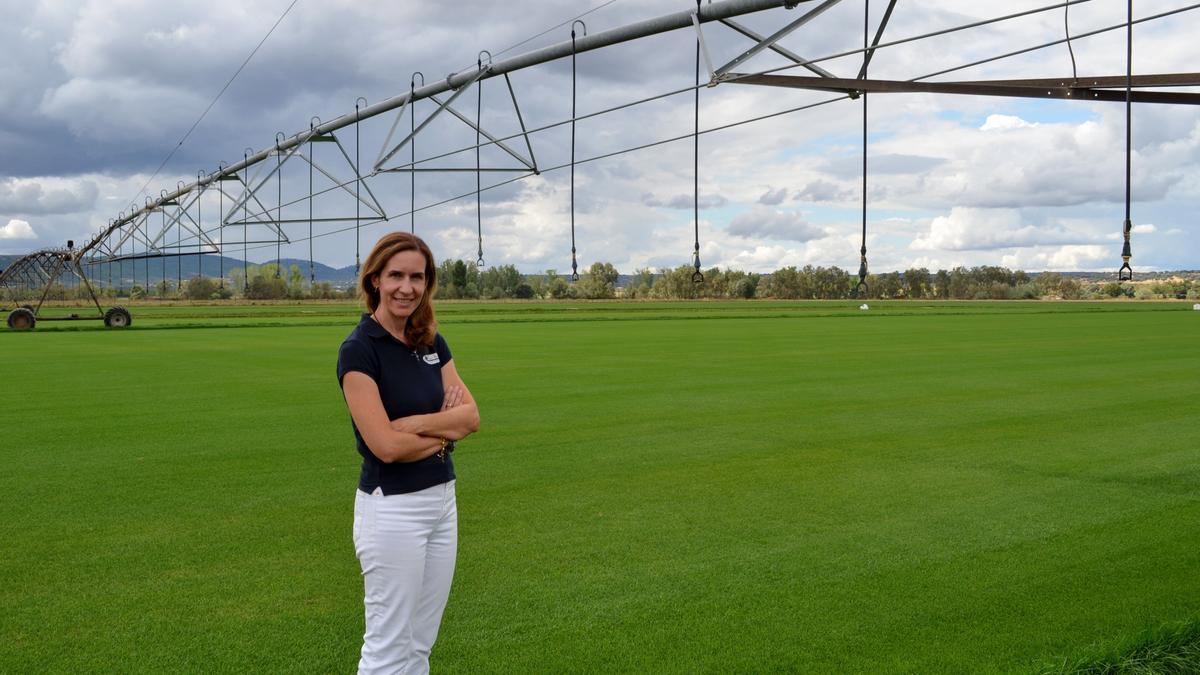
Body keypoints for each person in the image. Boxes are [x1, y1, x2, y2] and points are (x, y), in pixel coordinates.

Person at [337, 232, 480, 674]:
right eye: (395, 275)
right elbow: (386, 446)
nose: (407, 287)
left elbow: (470, 416)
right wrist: (444, 430)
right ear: (375, 279)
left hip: (442, 503)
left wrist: (418, 425)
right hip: (393, 510)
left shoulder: (431, 341)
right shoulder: (359, 350)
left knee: (420, 643)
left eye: (417, 277)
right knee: (387, 647)